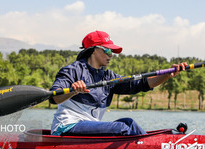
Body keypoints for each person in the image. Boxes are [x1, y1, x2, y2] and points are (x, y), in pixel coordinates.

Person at [49, 30, 187, 136]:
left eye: (112, 51)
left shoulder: (109, 77)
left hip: (89, 127)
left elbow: (143, 84)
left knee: (129, 122)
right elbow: (54, 98)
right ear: (93, 50)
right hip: (66, 127)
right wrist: (73, 90)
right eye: (107, 50)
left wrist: (168, 74)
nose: (111, 55)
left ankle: (155, 146)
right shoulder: (72, 70)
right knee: (120, 128)